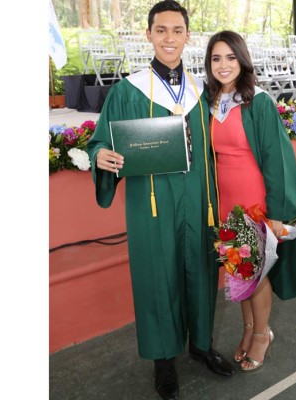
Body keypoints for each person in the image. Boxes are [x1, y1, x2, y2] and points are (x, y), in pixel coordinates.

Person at [86, 2, 234, 399]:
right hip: (151, 202)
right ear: (149, 35)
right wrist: (100, 154)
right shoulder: (127, 90)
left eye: (177, 30)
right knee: (157, 275)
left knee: (201, 267)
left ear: (188, 36)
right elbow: (101, 139)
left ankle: (200, 344)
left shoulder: (205, 90)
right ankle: (163, 358)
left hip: (198, 198)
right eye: (161, 30)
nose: (170, 37)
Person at [204, 31, 296, 372]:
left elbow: (277, 160)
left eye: (230, 58)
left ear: (242, 60)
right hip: (225, 204)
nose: (224, 65)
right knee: (239, 272)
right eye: (216, 59)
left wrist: (276, 214)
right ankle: (248, 328)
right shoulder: (211, 101)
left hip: (253, 202)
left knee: (256, 275)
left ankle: (262, 333)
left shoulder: (257, 101)